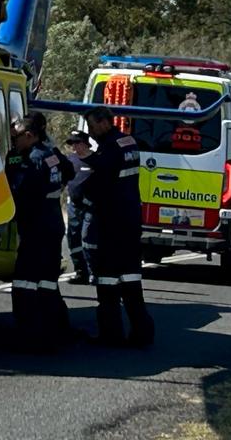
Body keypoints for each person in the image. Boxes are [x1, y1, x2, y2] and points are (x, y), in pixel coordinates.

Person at [80, 106, 155, 347]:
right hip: (129, 220)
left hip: (112, 223)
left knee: (107, 281)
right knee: (131, 281)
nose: (91, 133)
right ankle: (142, 332)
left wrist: (84, 156)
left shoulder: (111, 146)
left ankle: (111, 334)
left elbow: (104, 172)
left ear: (104, 123)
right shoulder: (128, 141)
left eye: (92, 126)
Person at [5, 112, 74, 351]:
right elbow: (69, 172)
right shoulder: (51, 153)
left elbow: (20, 189)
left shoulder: (32, 159)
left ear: (29, 135)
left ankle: (29, 334)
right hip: (53, 223)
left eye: (16, 138)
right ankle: (57, 329)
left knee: (24, 282)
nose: (13, 142)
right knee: (47, 281)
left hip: (36, 226)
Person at [63, 130, 94, 285]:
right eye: (72, 144)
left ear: (85, 143)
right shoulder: (70, 160)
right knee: (73, 238)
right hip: (74, 206)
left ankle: (93, 271)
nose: (74, 147)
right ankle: (80, 271)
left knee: (88, 238)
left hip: (91, 208)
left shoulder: (96, 160)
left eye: (77, 143)